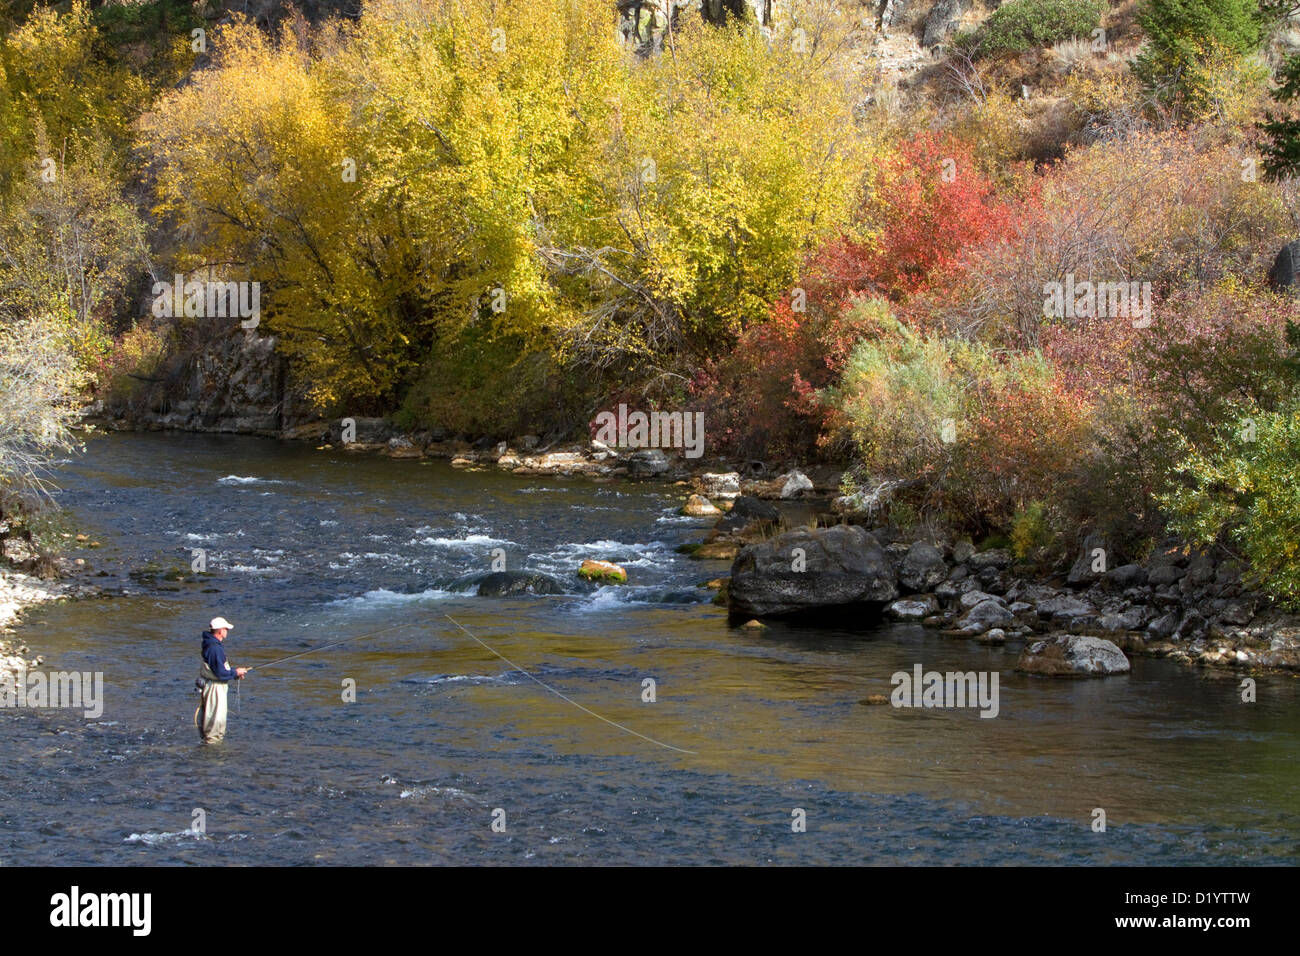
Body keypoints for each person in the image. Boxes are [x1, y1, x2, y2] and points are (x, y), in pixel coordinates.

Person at [194, 616, 248, 743]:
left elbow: (219, 670)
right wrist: (236, 672)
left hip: (213, 684)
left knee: (212, 720)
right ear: (220, 631)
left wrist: (234, 673)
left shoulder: (211, 644)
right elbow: (220, 673)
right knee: (215, 723)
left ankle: (209, 749)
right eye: (226, 629)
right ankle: (212, 752)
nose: (227, 631)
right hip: (215, 688)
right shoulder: (215, 648)